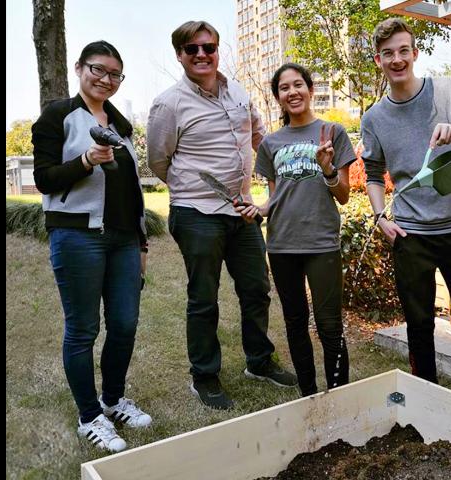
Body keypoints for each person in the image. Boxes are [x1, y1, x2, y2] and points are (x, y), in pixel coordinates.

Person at [147, 20, 297, 411]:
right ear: (179, 54)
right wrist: (188, 188)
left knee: (256, 290)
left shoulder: (238, 91)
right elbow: (159, 160)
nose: (202, 55)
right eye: (192, 49)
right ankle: (205, 375)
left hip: (242, 209)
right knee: (204, 298)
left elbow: (260, 138)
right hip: (197, 212)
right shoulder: (169, 102)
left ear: (217, 49)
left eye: (208, 47)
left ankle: (259, 362)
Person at [360, 18, 451, 403]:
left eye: (403, 50)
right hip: (411, 237)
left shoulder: (448, 90)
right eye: (388, 54)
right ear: (378, 60)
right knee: (418, 324)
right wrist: (380, 216)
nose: (397, 59)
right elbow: (370, 173)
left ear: (415, 53)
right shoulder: (373, 118)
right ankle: (426, 399)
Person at [32, 40, 151, 452]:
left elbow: (133, 189)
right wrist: (86, 161)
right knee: (83, 329)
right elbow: (44, 179)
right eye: (98, 70)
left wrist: (141, 243)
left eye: (114, 74)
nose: (105, 79)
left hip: (122, 239)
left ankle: (113, 400)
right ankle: (89, 416)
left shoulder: (121, 124)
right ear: (80, 68)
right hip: (77, 235)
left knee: (125, 324)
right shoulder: (58, 115)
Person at [237, 63, 355, 396]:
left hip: (321, 243)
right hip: (282, 245)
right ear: (278, 97)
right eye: (284, 88)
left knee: (330, 325)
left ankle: (339, 396)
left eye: (298, 84)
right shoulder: (271, 144)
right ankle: (309, 395)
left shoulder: (333, 132)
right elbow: (274, 196)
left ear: (310, 89)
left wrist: (328, 168)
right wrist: (259, 208)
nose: (293, 92)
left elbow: (344, 195)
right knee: (295, 322)